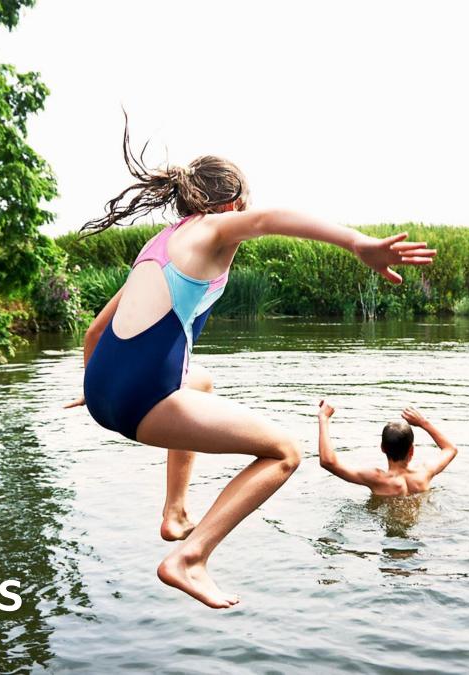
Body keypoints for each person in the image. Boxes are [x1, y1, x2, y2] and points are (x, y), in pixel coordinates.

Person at [64, 118, 436, 608]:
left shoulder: (158, 246)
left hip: (103, 390)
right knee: (283, 453)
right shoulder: (216, 228)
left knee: (202, 381)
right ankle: (190, 558)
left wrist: (97, 387)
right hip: (138, 402)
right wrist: (357, 243)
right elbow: (266, 221)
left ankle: (175, 512)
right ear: (233, 203)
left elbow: (96, 331)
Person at [315, 400, 458, 496]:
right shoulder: (425, 472)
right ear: (411, 450)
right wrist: (423, 423)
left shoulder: (377, 479)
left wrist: (323, 418)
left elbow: (328, 462)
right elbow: (450, 449)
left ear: (382, 448)